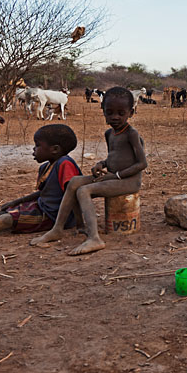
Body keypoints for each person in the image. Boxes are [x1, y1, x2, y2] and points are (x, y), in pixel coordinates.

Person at [33, 87, 148, 256]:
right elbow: (115, 157)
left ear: (131, 113)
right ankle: (60, 228)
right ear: (103, 111)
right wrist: (101, 164)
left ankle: (94, 238)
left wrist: (116, 175)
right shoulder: (109, 133)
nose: (115, 117)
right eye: (110, 112)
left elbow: (142, 163)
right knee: (74, 182)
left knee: (84, 190)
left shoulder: (132, 134)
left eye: (121, 113)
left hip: (128, 181)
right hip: (113, 177)